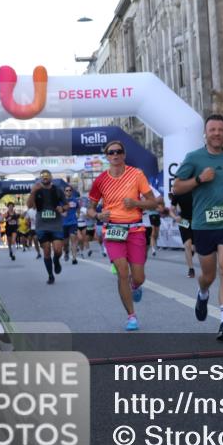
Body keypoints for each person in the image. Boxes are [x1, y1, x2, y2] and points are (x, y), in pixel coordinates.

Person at [172, 115, 223, 342]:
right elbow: (176, 188)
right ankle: (202, 293)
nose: (216, 133)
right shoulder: (194, 158)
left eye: (220, 129)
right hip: (203, 225)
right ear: (206, 133)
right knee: (208, 275)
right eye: (212, 129)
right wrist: (198, 179)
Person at [87, 140, 160, 331]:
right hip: (112, 230)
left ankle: (135, 286)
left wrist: (137, 204)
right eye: (111, 153)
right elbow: (90, 209)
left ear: (124, 155)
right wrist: (98, 215)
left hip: (135, 230)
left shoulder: (136, 175)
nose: (115, 155)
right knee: (122, 271)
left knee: (139, 277)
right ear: (107, 156)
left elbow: (154, 203)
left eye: (119, 151)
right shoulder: (101, 180)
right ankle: (131, 316)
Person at [27, 170, 67, 285]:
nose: (45, 178)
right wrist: (33, 192)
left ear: (51, 178)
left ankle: (57, 260)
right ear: (40, 179)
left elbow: (66, 205)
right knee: (47, 251)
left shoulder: (57, 190)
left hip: (56, 225)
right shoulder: (37, 190)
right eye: (43, 177)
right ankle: (50, 275)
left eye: (47, 176)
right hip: (42, 226)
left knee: (58, 250)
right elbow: (29, 206)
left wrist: (62, 208)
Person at [169, 191, 195, 278]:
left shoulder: (196, 191)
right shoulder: (177, 194)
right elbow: (171, 210)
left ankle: (191, 253)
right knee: (187, 244)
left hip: (196, 221)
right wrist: (175, 217)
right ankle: (191, 269)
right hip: (183, 221)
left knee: (194, 247)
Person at [61, 186, 80, 264]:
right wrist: (62, 213)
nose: (68, 191)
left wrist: (78, 215)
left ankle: (74, 258)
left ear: (71, 192)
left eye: (69, 190)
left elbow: (78, 208)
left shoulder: (75, 200)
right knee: (65, 243)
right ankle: (66, 252)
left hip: (73, 223)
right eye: (66, 190)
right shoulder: (61, 201)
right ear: (64, 192)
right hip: (64, 224)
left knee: (73, 240)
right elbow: (58, 210)